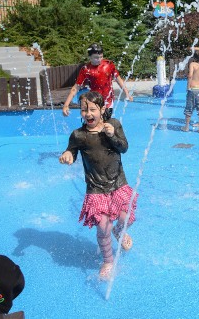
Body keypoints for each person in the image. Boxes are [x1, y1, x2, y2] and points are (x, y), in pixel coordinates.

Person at [59, 91, 137, 280]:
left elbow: (124, 148)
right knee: (103, 227)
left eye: (93, 109)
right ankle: (108, 261)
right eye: (84, 110)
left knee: (127, 218)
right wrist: (68, 155)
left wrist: (111, 135)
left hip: (118, 183)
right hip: (96, 188)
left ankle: (119, 231)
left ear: (102, 109)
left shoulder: (114, 125)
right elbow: (71, 151)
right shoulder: (79, 135)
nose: (88, 113)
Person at [62, 43, 133, 120]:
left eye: (101, 57)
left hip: (108, 102)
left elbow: (118, 79)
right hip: (93, 101)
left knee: (105, 123)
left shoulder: (109, 65)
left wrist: (126, 93)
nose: (99, 60)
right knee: (93, 125)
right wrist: (66, 104)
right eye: (96, 58)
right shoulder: (86, 69)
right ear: (89, 57)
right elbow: (75, 88)